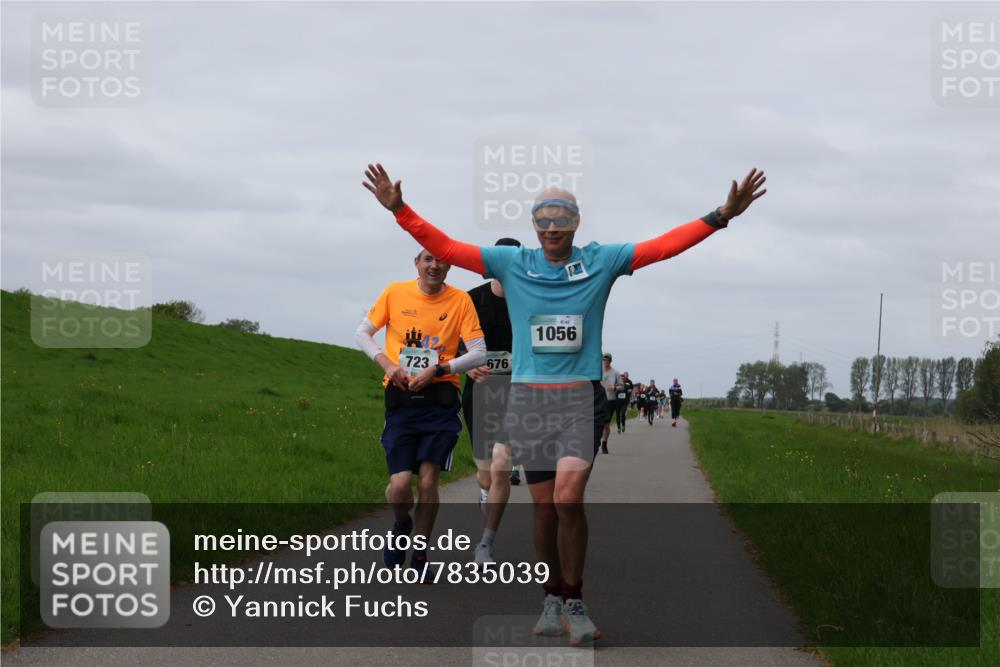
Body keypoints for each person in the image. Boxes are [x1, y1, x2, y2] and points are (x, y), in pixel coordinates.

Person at [362, 161, 766, 645]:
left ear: (576, 223)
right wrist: (400, 210)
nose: (552, 227)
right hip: (530, 401)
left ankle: (575, 598)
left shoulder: (603, 260)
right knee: (545, 512)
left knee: (568, 499)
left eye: (562, 218)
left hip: (578, 397)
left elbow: (663, 247)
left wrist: (722, 215)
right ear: (534, 225)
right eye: (544, 219)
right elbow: (448, 248)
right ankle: (551, 595)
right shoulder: (514, 263)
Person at [354, 249, 486, 575]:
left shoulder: (460, 301)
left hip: (441, 401)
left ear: (449, 266)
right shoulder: (395, 292)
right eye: (428, 259)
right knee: (399, 486)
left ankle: (422, 554)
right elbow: (363, 333)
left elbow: (479, 353)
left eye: (441, 260)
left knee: (428, 482)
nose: (434, 265)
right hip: (400, 399)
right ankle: (401, 524)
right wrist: (386, 363)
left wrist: (440, 369)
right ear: (417, 263)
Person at [462, 237, 522, 565]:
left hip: (516, 393)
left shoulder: (529, 300)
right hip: (480, 392)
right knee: (486, 474)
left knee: (502, 464)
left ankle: (485, 543)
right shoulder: (471, 300)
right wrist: (466, 365)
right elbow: (454, 343)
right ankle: (485, 491)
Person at [600, 353, 623, 454]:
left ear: (610, 361)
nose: (606, 362)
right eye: (604, 360)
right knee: (596, 423)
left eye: (608, 360)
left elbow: (622, 386)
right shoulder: (597, 371)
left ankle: (604, 443)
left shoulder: (616, 373)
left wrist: (614, 388)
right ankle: (596, 441)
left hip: (610, 400)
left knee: (606, 424)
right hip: (597, 400)